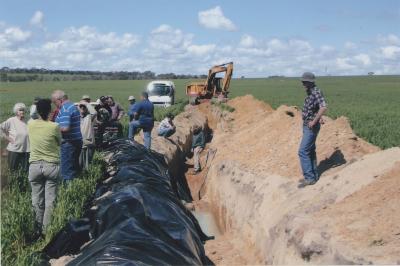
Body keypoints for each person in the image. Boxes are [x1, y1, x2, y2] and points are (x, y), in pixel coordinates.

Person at [27, 98, 61, 233]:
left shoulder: (30, 124)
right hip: (51, 165)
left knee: (36, 199)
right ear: (50, 111)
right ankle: (46, 231)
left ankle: (37, 228)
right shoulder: (54, 126)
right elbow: (59, 142)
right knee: (50, 200)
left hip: (34, 165)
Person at [298, 72, 328, 188]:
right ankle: (314, 175)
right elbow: (316, 108)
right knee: (310, 150)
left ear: (310, 82)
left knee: (302, 151)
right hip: (307, 125)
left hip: (311, 126)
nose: (303, 84)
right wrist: (318, 117)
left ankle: (309, 178)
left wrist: (315, 120)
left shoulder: (316, 92)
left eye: (304, 82)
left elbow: (323, 107)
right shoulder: (310, 92)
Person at [52, 90, 82, 183]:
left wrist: (52, 128)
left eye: (54, 102)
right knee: (74, 168)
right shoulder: (72, 106)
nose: (55, 105)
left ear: (60, 100)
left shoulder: (65, 109)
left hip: (69, 143)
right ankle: (76, 187)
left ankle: (69, 191)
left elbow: (65, 128)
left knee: (66, 172)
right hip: (76, 141)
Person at [0, 103, 30, 171]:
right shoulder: (11, 120)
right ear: (16, 111)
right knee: (12, 170)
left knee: (25, 171)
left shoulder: (27, 121)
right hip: (14, 150)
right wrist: (8, 138)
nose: (22, 112)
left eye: (23, 110)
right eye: (20, 110)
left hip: (26, 150)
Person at [78, 101, 97, 170]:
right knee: (79, 164)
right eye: (81, 107)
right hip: (80, 143)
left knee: (88, 164)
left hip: (89, 143)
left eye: (84, 107)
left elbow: (94, 112)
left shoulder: (89, 117)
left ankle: (87, 176)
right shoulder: (76, 117)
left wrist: (86, 104)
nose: (82, 108)